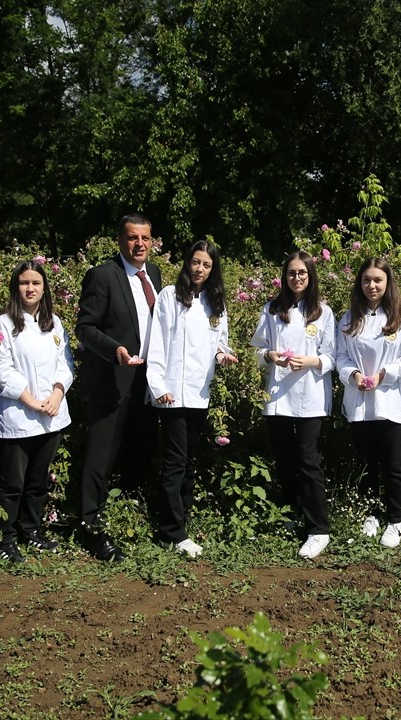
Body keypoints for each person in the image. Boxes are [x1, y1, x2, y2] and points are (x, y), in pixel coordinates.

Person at [75, 213, 162, 562]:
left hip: (147, 381)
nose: (139, 244)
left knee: (139, 449)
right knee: (101, 456)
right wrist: (115, 350)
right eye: (131, 238)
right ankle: (91, 527)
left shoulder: (153, 275)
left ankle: (129, 515)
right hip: (112, 380)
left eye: (145, 238)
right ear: (120, 240)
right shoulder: (102, 275)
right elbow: (85, 327)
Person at [147, 240, 238, 558]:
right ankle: (172, 532)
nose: (200, 269)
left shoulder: (216, 303)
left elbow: (220, 342)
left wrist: (223, 355)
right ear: (187, 263)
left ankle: (179, 521)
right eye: (196, 262)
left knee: (187, 461)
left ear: (213, 270)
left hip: (200, 393)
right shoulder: (169, 297)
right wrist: (158, 385)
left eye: (207, 265)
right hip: (172, 392)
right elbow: (156, 344)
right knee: (174, 462)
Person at [0, 261, 75, 563]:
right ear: (16, 287)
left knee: (38, 480)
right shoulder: (3, 324)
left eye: (36, 283)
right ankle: (6, 539)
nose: (30, 288)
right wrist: (31, 400)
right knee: (13, 482)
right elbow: (0, 369)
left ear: (44, 287)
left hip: (51, 414)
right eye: (24, 283)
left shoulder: (54, 323)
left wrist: (57, 393)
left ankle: (31, 530)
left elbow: (66, 363)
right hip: (18, 416)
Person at [250, 252, 336, 560]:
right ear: (284, 277)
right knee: (284, 459)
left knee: (308, 460)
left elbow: (332, 356)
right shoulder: (272, 310)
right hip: (278, 396)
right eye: (291, 273)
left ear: (311, 276)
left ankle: (319, 529)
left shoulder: (323, 312)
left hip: (310, 395)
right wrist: (271, 356)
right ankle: (292, 512)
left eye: (302, 273)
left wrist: (311, 361)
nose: (296, 278)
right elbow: (257, 351)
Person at [335, 257, 401, 548]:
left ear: (388, 283)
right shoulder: (349, 318)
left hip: (392, 399)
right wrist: (354, 374)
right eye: (366, 280)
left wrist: (386, 374)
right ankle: (370, 514)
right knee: (366, 461)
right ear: (359, 284)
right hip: (361, 399)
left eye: (378, 280)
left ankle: (396, 520)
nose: (372, 285)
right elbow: (340, 356)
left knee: (393, 463)